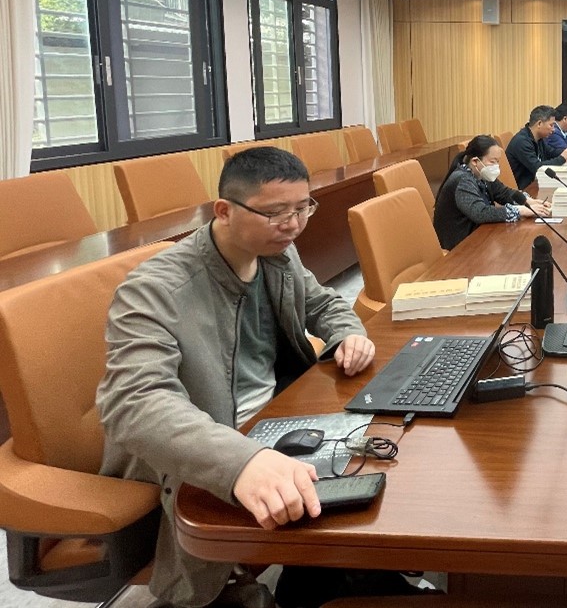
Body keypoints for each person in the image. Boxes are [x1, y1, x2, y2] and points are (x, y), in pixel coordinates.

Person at [96, 147, 376, 608]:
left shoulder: (277, 253)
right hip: (209, 439)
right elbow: (134, 403)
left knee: (374, 460)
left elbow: (323, 302)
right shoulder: (155, 289)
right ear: (224, 211)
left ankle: (326, 581)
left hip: (278, 414)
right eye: (275, 213)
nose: (293, 225)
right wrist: (242, 462)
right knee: (333, 496)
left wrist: (348, 332)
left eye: (302, 208)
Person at [434, 135, 553, 250]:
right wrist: (521, 210)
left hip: (480, 235)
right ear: (475, 161)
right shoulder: (462, 180)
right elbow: (480, 213)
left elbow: (504, 193)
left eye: (497, 161)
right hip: (461, 245)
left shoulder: (481, 174)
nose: (496, 166)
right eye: (492, 161)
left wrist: (529, 202)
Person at [505, 104, 567, 188]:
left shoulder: (539, 138)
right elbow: (537, 167)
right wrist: (562, 158)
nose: (553, 129)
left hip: (536, 182)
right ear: (539, 123)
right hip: (525, 188)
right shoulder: (522, 141)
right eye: (551, 125)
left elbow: (550, 152)